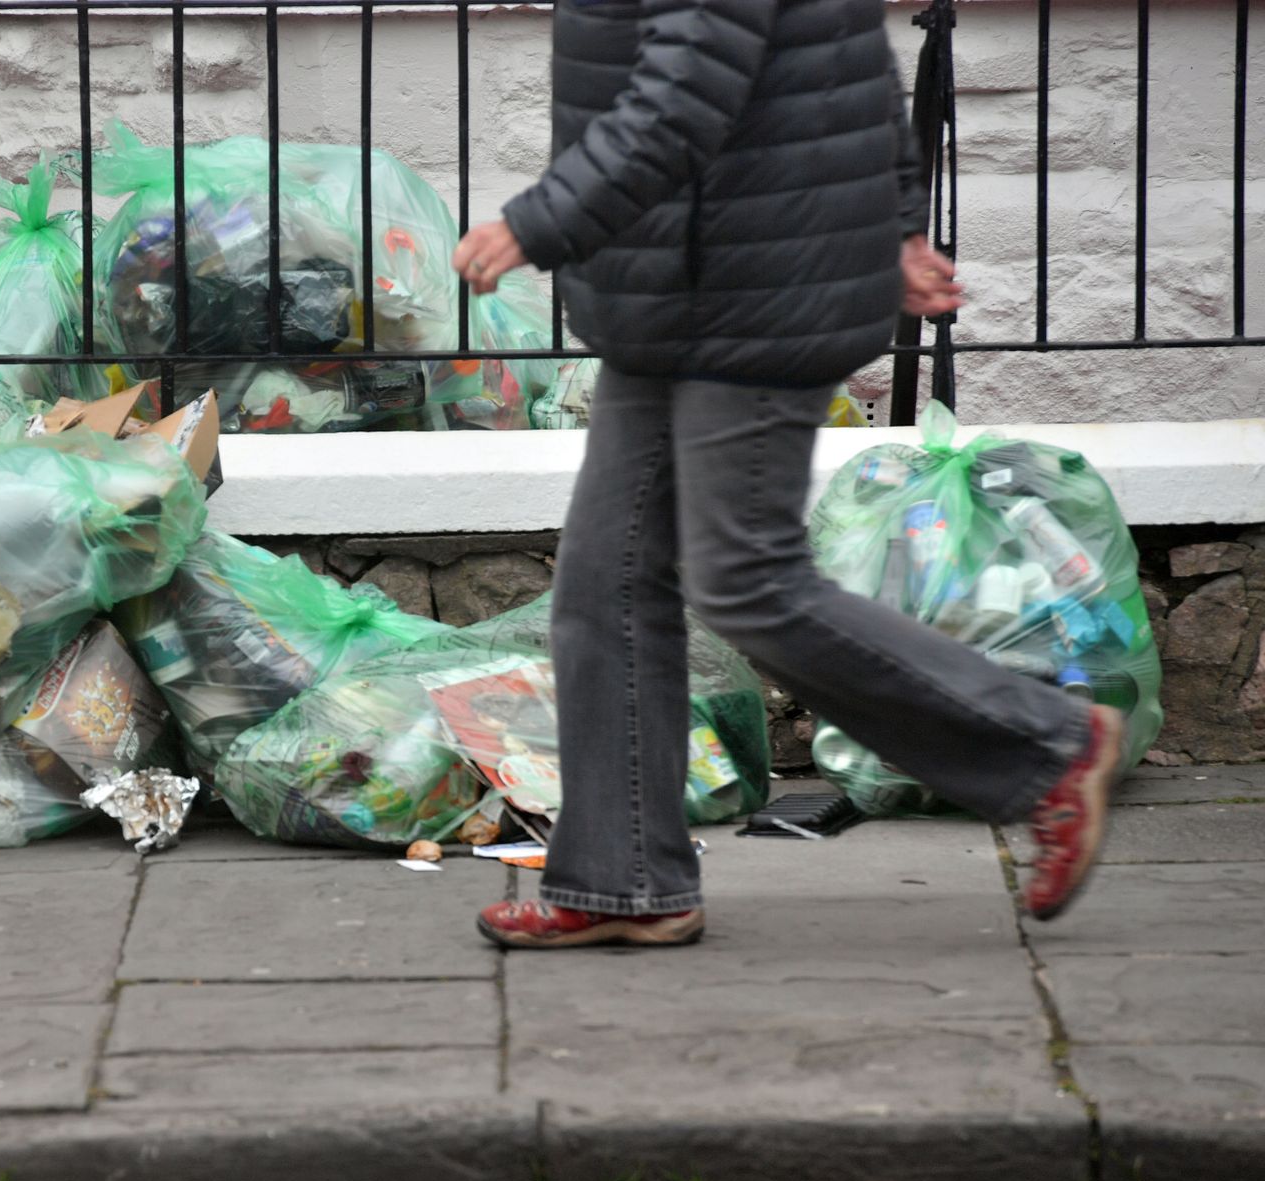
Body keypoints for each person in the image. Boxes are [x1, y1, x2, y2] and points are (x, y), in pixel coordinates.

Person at [450, 0, 1123, 949]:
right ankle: (623, 880)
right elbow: (851, 63)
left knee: (746, 574)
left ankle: (1050, 743)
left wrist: (539, 223)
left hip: (761, 293)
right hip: (671, 289)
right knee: (605, 580)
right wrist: (894, 224)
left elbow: (681, 97)